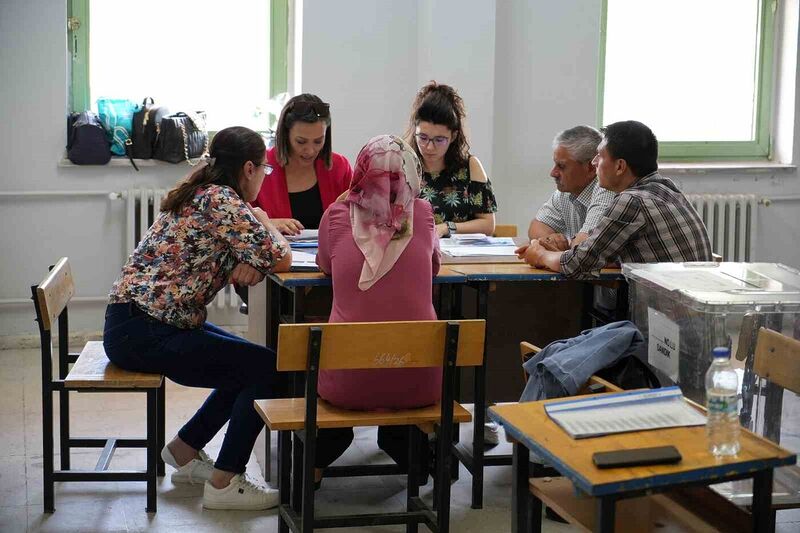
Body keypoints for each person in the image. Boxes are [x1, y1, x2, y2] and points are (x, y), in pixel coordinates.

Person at [102, 126, 292, 511]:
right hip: (148, 330)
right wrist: (264, 220)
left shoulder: (200, 191)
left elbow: (254, 252)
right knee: (268, 370)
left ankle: (185, 452)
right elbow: (281, 256)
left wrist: (250, 253)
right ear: (249, 168)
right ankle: (225, 483)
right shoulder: (221, 200)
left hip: (137, 322)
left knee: (252, 361)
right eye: (265, 172)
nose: (264, 179)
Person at [313, 134, 441, 486]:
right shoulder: (424, 214)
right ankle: (413, 460)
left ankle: (313, 466)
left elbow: (325, 263)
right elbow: (433, 268)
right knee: (398, 366)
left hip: (347, 383)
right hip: (419, 380)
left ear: (360, 172)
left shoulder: (337, 215)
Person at [517, 120, 713, 276]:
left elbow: (579, 264)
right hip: (688, 309)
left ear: (620, 166)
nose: (594, 163)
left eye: (600, 157)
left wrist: (541, 255)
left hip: (671, 318)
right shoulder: (667, 188)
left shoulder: (632, 201)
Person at [406, 81, 497, 237]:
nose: (429, 147)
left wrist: (446, 228)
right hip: (416, 253)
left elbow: (488, 224)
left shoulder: (470, 166)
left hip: (461, 256)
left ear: (453, 136)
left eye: (439, 140)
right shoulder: (403, 165)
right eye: (423, 137)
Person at [251, 93, 352, 235]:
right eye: (301, 141)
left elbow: (359, 219)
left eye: (318, 141)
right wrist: (269, 224)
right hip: (277, 254)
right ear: (286, 135)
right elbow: (238, 222)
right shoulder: (261, 166)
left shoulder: (339, 167)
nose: (310, 151)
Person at [528, 125, 615, 251]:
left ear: (591, 168)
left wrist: (564, 247)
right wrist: (551, 241)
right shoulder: (565, 192)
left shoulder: (607, 189)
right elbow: (536, 227)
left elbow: (585, 248)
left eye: (561, 166)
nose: (553, 173)